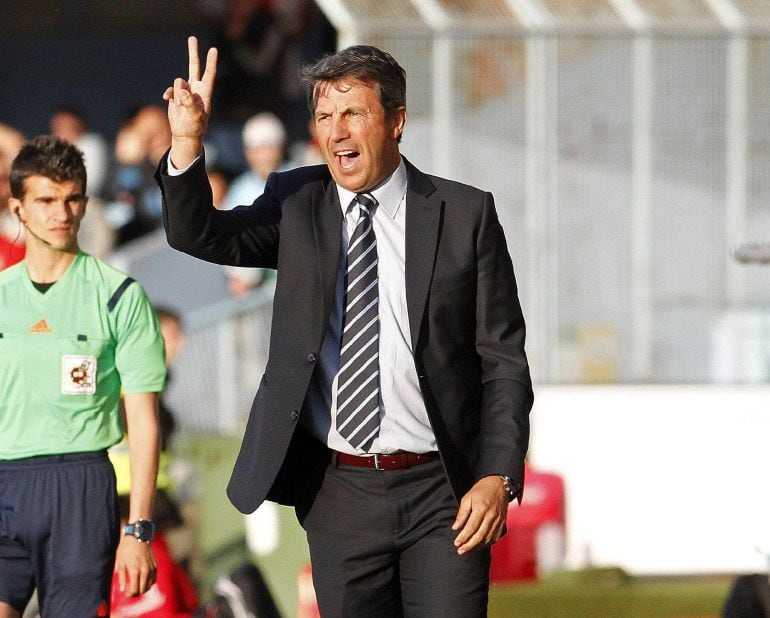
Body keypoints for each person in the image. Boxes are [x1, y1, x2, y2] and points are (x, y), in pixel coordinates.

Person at [158, 37, 533, 617]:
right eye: (324, 117)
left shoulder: (464, 214)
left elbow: (503, 360)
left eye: (353, 113)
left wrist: (498, 477)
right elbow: (201, 234)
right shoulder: (297, 200)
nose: (336, 133)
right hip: (339, 491)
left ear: (397, 120)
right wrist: (187, 142)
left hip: (444, 490)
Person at [0, 136, 166, 617]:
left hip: (80, 487)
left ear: (86, 203)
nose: (61, 212)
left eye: (72, 198)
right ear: (19, 209)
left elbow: (144, 421)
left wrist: (138, 529)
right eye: (46, 200)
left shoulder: (118, 297)